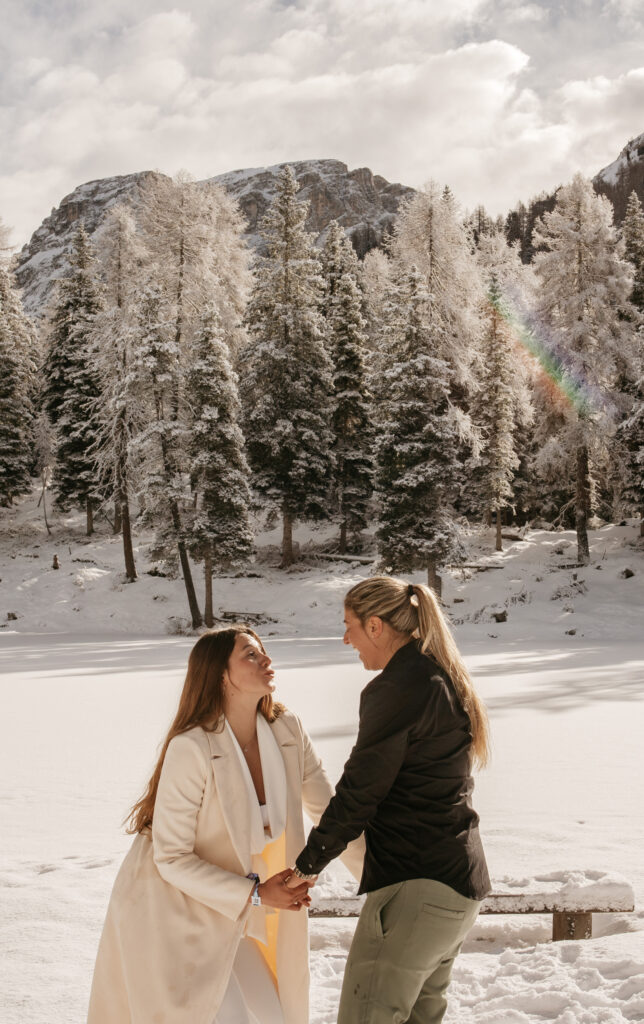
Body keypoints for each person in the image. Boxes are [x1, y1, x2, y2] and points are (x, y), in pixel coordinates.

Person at [87, 625, 363, 1024]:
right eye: (250, 654)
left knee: (274, 1015)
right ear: (219, 674)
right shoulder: (193, 747)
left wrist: (381, 880)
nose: (266, 659)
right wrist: (256, 894)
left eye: (263, 651)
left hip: (231, 910)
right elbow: (173, 859)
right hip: (168, 908)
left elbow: (332, 816)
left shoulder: (288, 731)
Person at [288, 576, 491, 1024]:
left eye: (350, 626)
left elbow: (362, 789)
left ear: (376, 626)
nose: (346, 639)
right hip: (456, 886)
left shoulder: (399, 687)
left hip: (416, 890)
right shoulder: (437, 674)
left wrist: (308, 866)